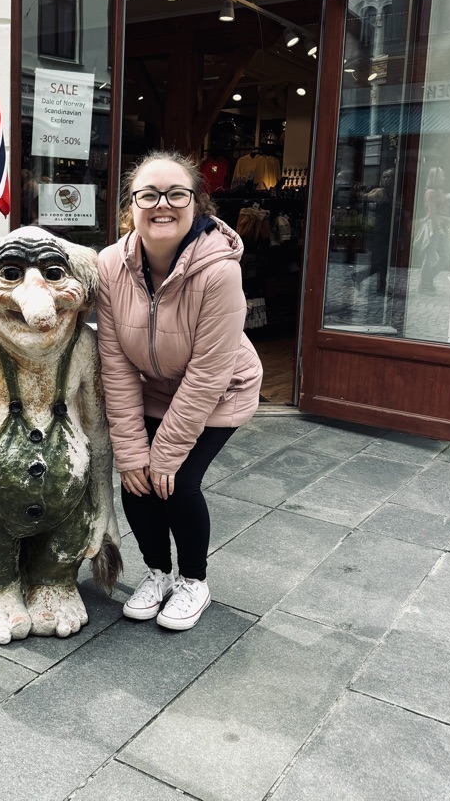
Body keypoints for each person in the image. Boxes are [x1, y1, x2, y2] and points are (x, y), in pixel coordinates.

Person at [95, 150, 263, 631]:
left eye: (176, 193)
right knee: (137, 479)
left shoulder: (219, 271)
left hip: (221, 389)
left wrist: (165, 453)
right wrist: (132, 453)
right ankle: (158, 573)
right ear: (132, 204)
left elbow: (209, 373)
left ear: (197, 203)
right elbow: (115, 363)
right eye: (148, 194)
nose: (161, 204)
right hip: (152, 384)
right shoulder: (110, 266)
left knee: (178, 482)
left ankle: (194, 581)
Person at [355, 167, 395, 293]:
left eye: (390, 176)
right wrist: (359, 190)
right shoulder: (380, 192)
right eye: (385, 177)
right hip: (380, 231)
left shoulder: (392, 193)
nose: (387, 179)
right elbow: (365, 198)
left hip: (388, 230)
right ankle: (361, 277)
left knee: (384, 261)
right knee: (380, 261)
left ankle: (381, 287)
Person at [418, 166, 450, 293]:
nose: (443, 177)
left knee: (447, 254)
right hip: (434, 226)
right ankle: (424, 284)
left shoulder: (439, 191)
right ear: (435, 177)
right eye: (441, 175)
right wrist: (435, 229)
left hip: (442, 226)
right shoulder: (430, 192)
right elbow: (432, 213)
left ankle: (427, 279)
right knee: (430, 256)